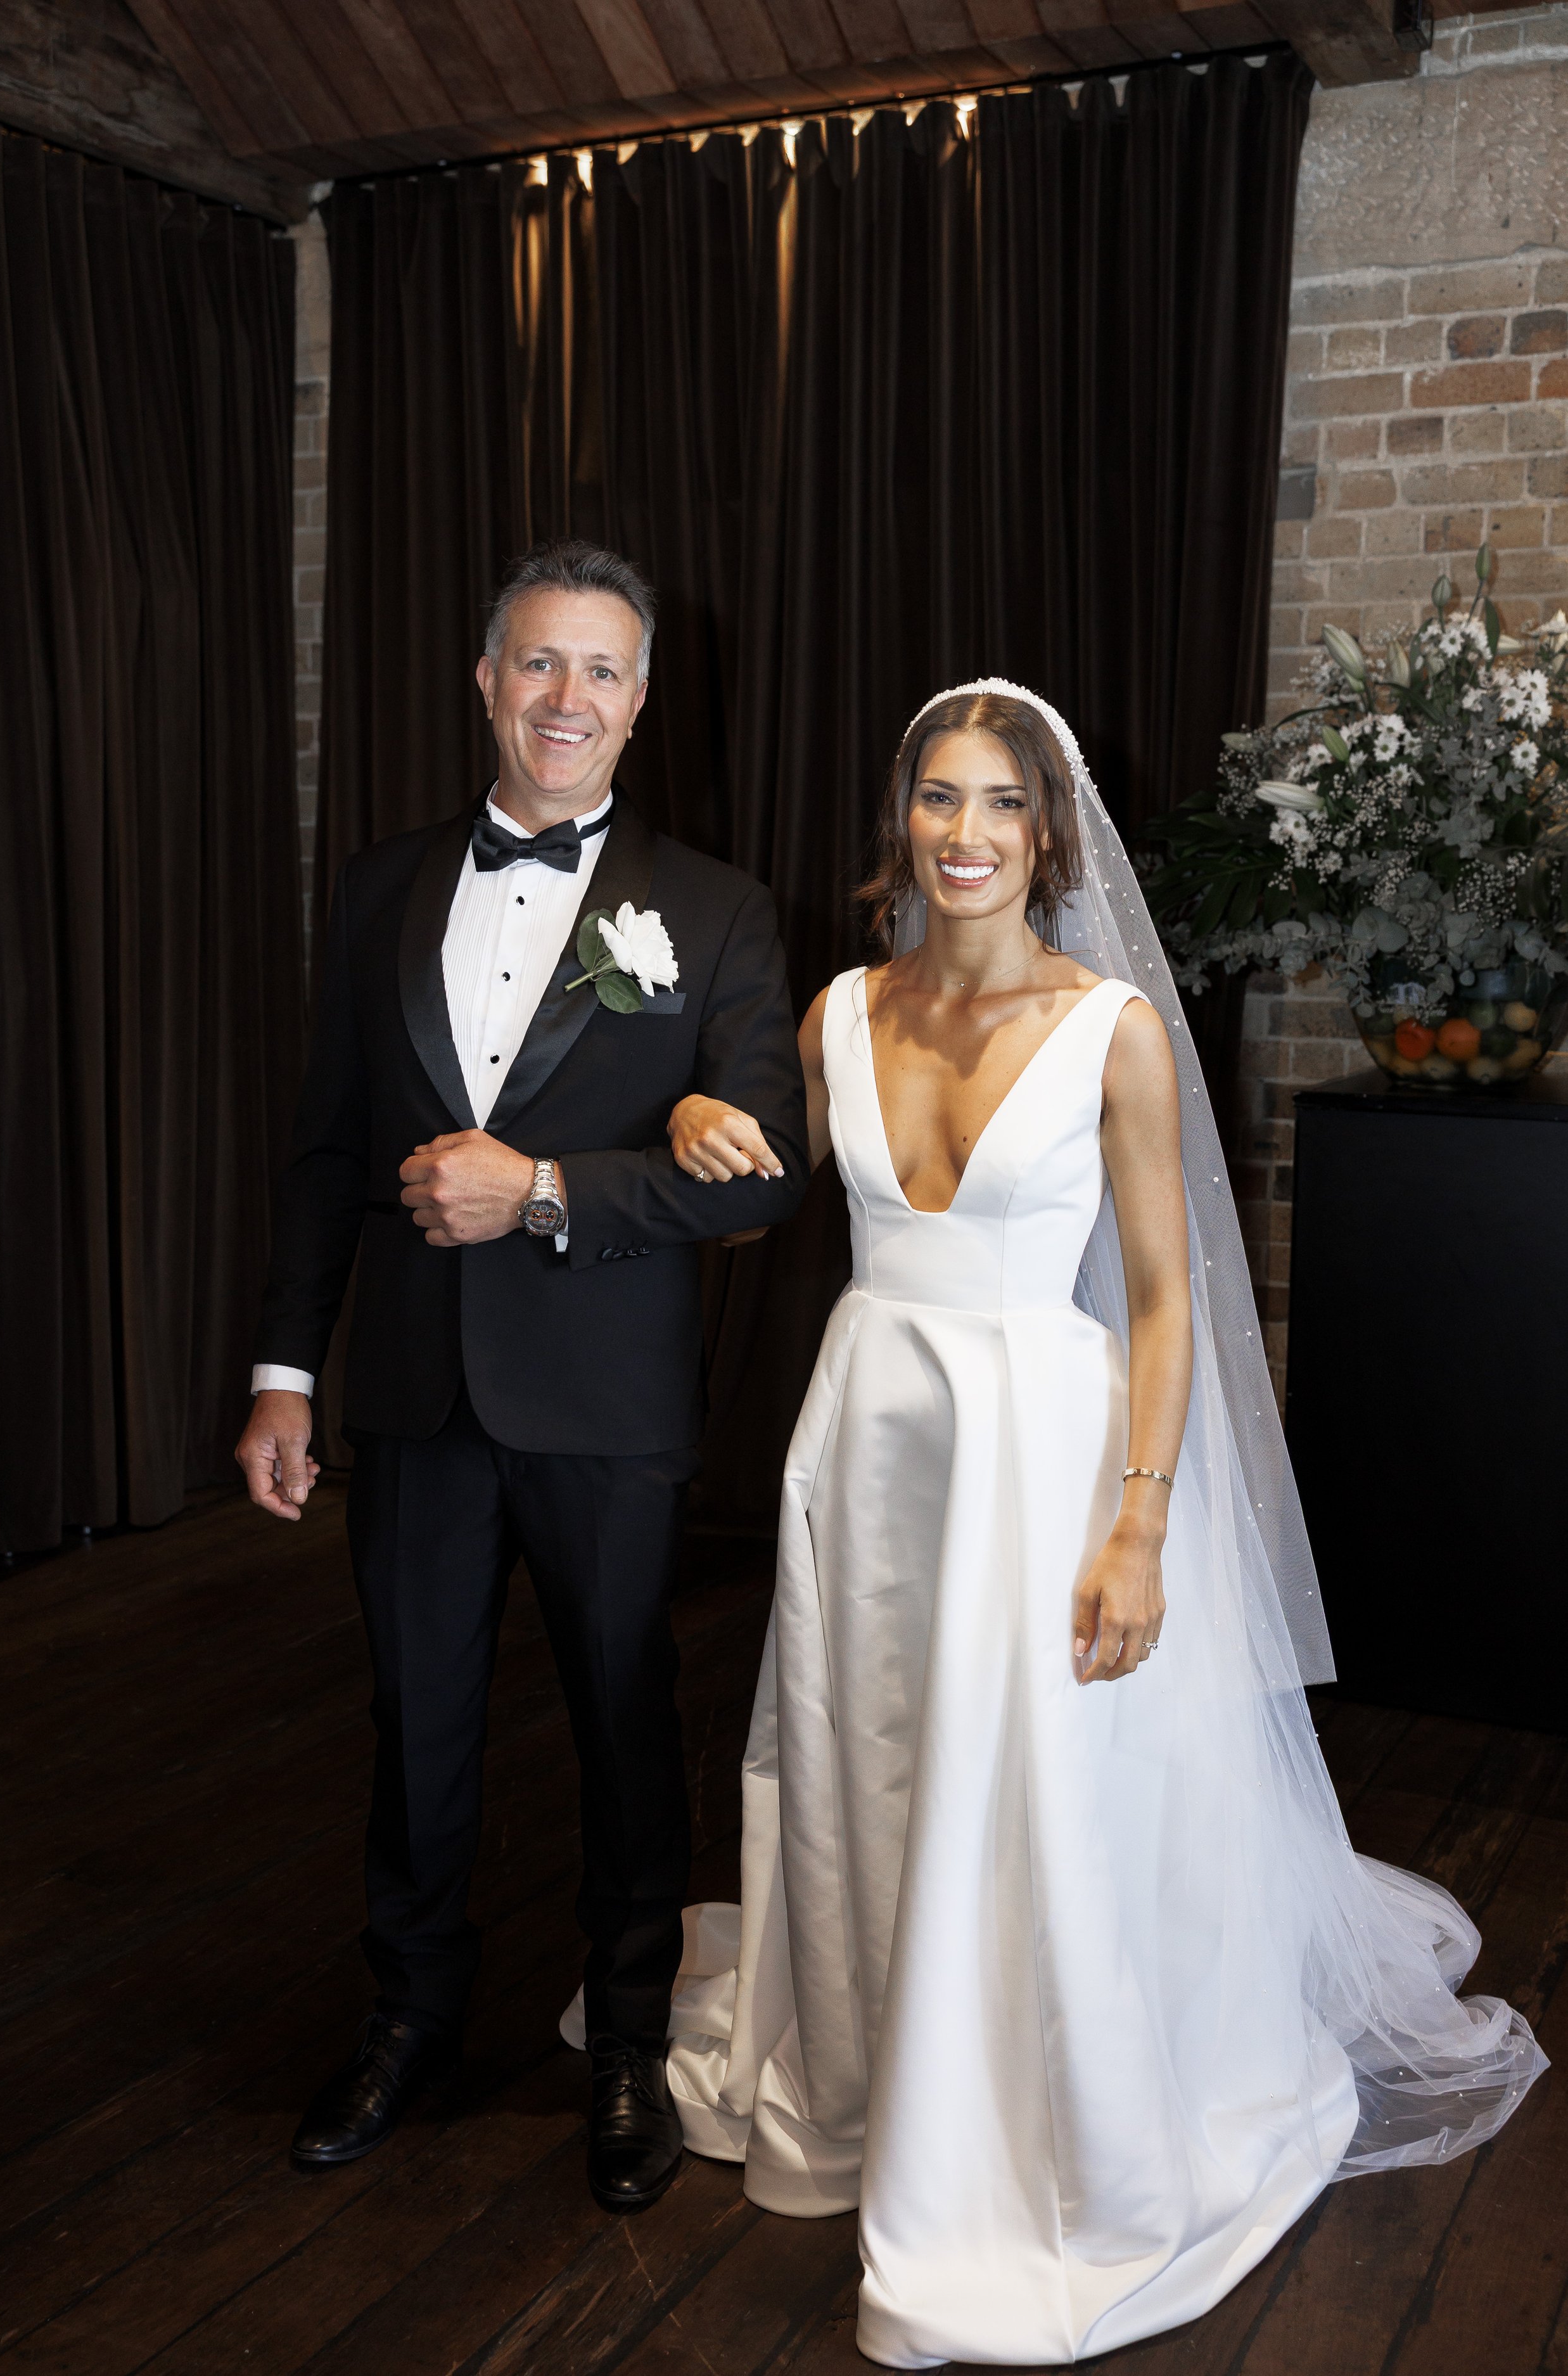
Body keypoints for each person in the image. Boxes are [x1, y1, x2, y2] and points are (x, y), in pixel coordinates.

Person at [649, 680, 1546, 2366]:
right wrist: (698, 1124)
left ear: (1047, 834)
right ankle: (868, 2061)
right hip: (871, 1441)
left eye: (1002, 804)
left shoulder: (1110, 1027)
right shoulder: (838, 1010)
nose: (966, 834)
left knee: (1033, 1786)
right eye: (939, 797)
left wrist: (1138, 1524)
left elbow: (1162, 1299)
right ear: (901, 818)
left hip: (1043, 1454)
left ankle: (1017, 2122)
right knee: (867, 1753)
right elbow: (758, 1209)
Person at [235, 540, 808, 2212]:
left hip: (606, 1403)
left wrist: (545, 1190)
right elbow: (327, 1150)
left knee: (625, 1721)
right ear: (487, 681)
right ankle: (407, 2020)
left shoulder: (715, 908)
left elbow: (762, 1175)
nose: (568, 698)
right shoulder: (378, 887)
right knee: (415, 1719)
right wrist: (284, 1371)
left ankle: (629, 2043)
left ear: (642, 700)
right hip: (412, 1395)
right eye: (539, 663)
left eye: (601, 670)